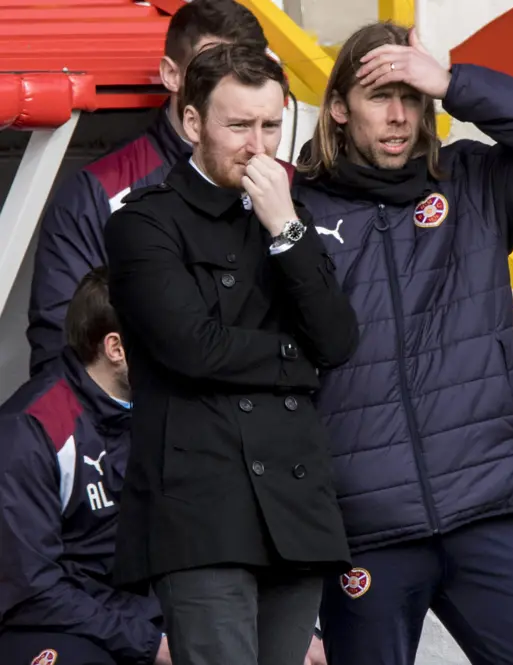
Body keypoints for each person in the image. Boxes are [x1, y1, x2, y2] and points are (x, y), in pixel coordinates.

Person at [292, 21, 513, 665]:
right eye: (381, 96)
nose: (400, 116)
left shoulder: (473, 183)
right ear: (340, 108)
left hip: (484, 509)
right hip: (364, 530)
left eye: (413, 97)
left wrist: (455, 83)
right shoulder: (293, 212)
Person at [103, 42, 359, 665]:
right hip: (202, 504)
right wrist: (295, 361)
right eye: (239, 125)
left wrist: (286, 230)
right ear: (193, 123)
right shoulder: (143, 222)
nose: (258, 144)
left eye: (271, 125)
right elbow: (194, 347)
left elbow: (338, 340)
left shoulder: (287, 216)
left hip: (293, 505)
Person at [27, 0, 268, 377]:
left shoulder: (288, 187)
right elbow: (63, 356)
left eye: (247, 73)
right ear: (171, 75)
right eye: (210, 70)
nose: (230, 89)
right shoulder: (95, 195)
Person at [0, 267, 169, 665]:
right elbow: (31, 589)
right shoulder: (32, 426)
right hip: (47, 621)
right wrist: (149, 642)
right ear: (116, 349)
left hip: (139, 616)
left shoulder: (161, 410)